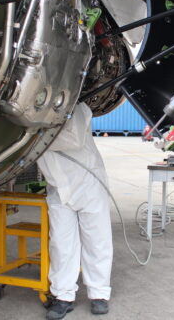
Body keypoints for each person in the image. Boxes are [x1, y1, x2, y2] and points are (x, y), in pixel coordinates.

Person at [36, 103, 113, 319]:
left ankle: (99, 294)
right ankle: (63, 296)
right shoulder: (31, 113)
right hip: (58, 187)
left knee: (96, 240)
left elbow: (74, 139)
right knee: (61, 244)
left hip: (88, 182)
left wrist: (33, 136)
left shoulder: (75, 106)